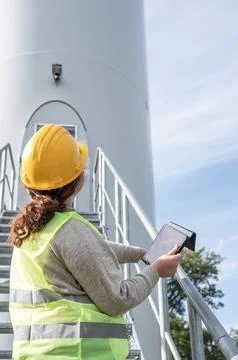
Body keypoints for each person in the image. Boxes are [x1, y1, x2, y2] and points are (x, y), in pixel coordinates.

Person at [9, 124, 181, 360]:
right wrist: (156, 270)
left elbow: (85, 252)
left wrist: (139, 253)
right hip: (79, 354)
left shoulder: (30, 230)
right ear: (77, 180)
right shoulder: (71, 231)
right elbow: (118, 299)